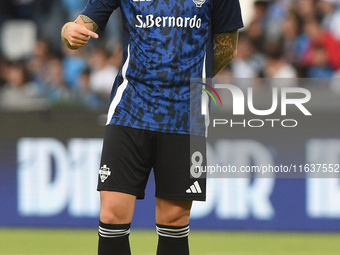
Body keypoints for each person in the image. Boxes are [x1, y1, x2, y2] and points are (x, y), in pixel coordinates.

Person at [61, 1, 243, 254]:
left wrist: (187, 78)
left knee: (174, 221)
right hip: (130, 109)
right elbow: (79, 25)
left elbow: (227, 47)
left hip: (186, 114)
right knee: (112, 215)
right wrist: (69, 32)